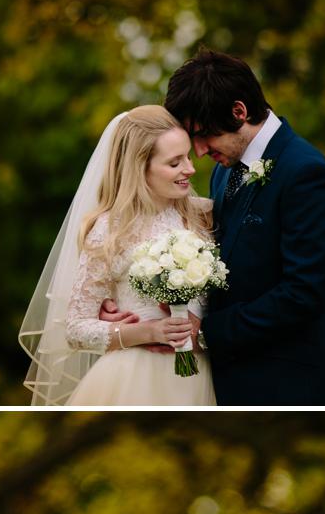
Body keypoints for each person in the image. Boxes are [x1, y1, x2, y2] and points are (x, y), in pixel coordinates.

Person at [165, 51, 325, 407]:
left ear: (239, 111)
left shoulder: (306, 174)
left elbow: (303, 295)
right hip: (226, 379)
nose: (199, 152)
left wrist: (206, 331)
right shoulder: (224, 169)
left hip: (282, 385)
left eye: (204, 135)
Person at [20, 105, 218, 408]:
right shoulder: (109, 230)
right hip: (134, 378)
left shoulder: (202, 216)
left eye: (188, 157)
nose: (190, 169)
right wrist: (145, 331)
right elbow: (75, 328)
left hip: (201, 375)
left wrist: (199, 332)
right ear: (140, 168)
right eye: (175, 162)